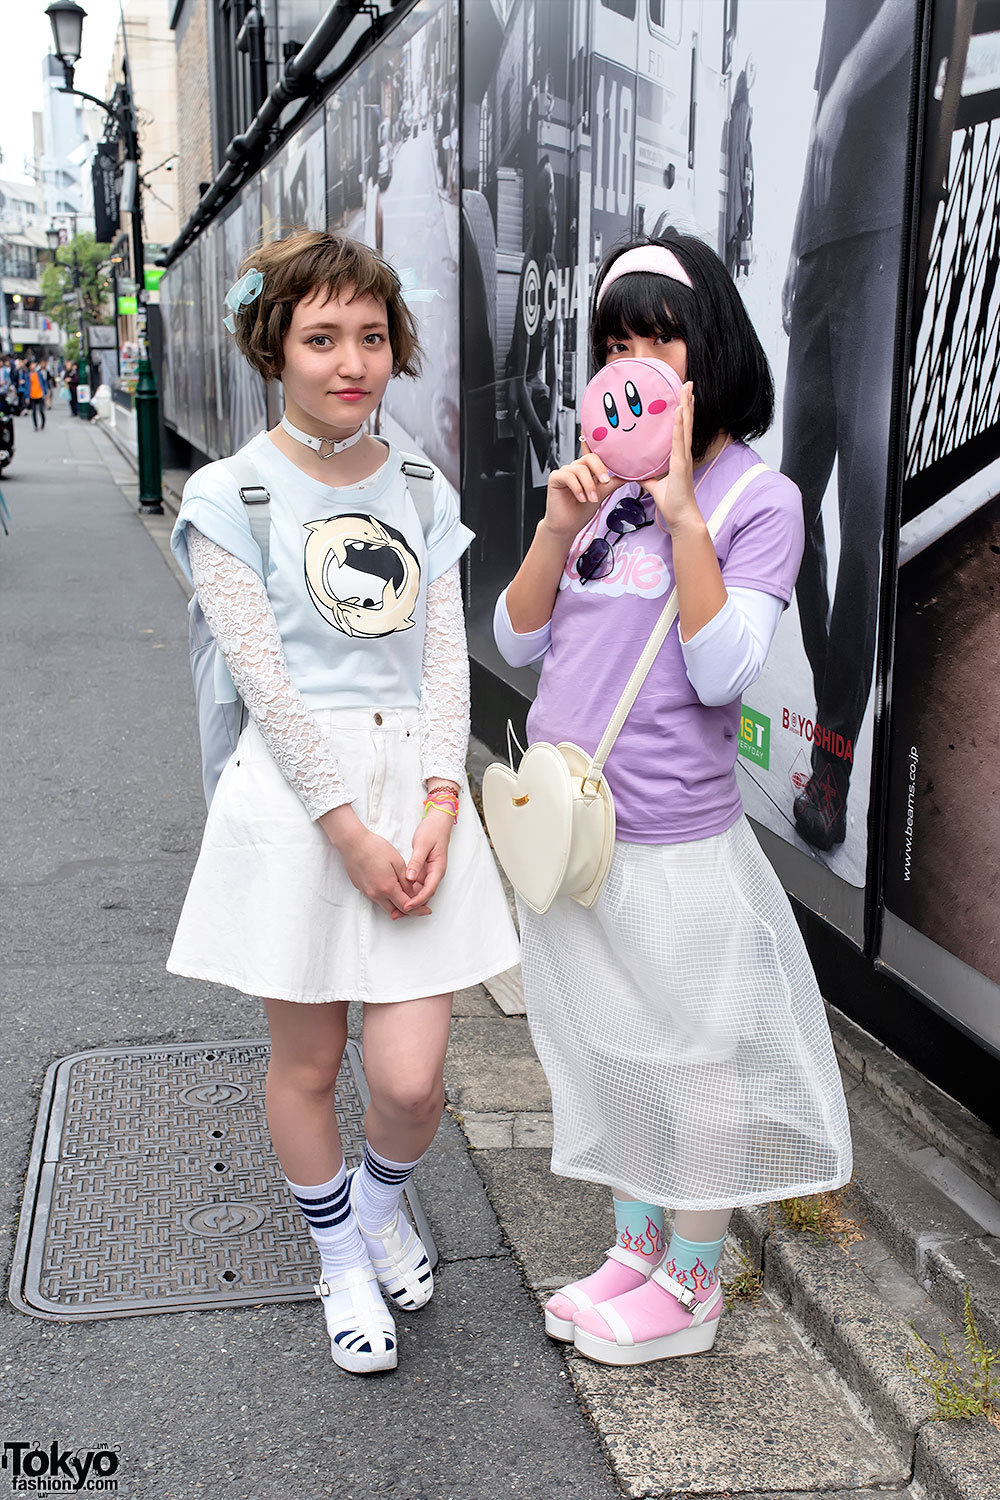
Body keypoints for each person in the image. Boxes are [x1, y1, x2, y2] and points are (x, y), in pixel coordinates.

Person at [494, 233, 852, 1367]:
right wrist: (558, 525)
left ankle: (691, 1282)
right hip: (578, 833)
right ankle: (636, 1244)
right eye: (615, 341)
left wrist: (684, 511)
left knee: (693, 1063)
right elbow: (514, 635)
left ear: (707, 348)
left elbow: (720, 671)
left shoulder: (759, 499)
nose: (634, 360)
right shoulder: (595, 487)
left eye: (657, 335)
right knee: (613, 1050)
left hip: (674, 846)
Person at [167, 230, 519, 1375]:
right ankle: (340, 1260)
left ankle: (377, 1208)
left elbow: (441, 661)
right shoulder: (233, 493)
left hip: (411, 799)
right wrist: (349, 832)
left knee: (413, 1078)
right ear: (277, 347)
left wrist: (433, 804)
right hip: (299, 805)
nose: (349, 361)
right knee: (311, 1065)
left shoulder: (417, 482)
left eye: (370, 336)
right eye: (321, 338)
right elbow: (264, 683)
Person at [781, 0, 912, 849]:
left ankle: (834, 764)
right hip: (825, 249)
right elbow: (825, 104)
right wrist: (796, 248)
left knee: (862, 521)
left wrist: (836, 103)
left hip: (883, 237)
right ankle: (837, 704)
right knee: (793, 513)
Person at [27, 360, 48, 429]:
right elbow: (27, 386)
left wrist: (45, 392)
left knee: (41, 410)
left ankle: (43, 423)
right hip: (32, 395)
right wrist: (27, 396)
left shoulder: (39, 374)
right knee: (34, 411)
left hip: (40, 394)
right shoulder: (28, 375)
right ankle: (35, 425)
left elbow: (44, 383)